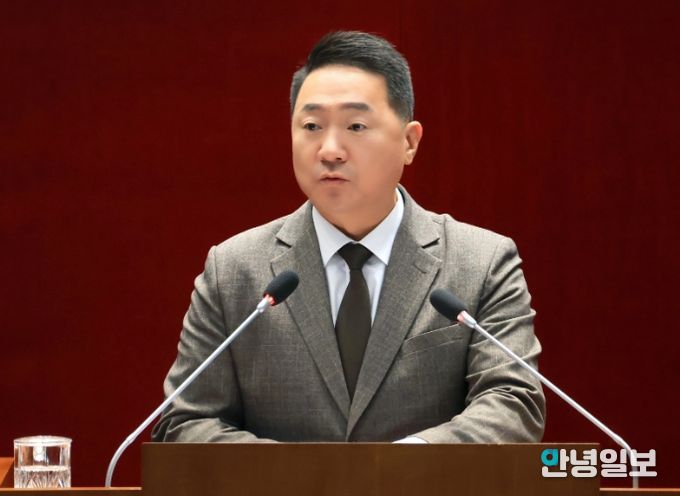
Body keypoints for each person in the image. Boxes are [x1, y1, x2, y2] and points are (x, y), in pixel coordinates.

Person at [151, 31, 545, 443]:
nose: (330, 150)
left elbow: (512, 403)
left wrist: (399, 466)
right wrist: (297, 473)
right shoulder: (234, 270)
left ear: (409, 142)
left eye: (355, 125)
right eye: (311, 126)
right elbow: (185, 421)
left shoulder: (481, 262)